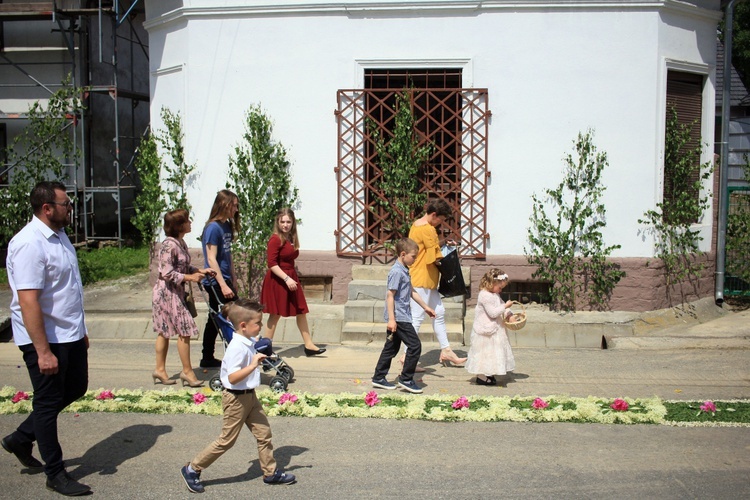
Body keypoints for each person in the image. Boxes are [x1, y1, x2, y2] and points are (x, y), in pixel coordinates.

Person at [2, 181, 91, 496]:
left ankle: (20, 438)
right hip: (45, 339)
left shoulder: (61, 236)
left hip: (69, 334)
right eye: (66, 204)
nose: (71, 209)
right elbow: (28, 301)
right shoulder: (29, 243)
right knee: (47, 401)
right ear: (47, 208)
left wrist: (81, 333)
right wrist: (42, 351)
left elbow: (68, 290)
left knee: (76, 386)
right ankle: (55, 472)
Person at [180, 299, 297, 493]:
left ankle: (270, 472)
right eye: (258, 323)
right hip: (235, 399)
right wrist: (252, 365)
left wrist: (265, 351)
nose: (261, 326)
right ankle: (192, 469)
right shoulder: (236, 347)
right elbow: (233, 378)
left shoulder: (248, 341)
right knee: (226, 440)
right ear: (243, 326)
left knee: (263, 434)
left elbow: (258, 347)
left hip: (249, 396)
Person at [152, 209, 215, 387]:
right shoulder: (168, 245)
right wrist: (190, 278)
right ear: (179, 225)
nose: (190, 223)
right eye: (187, 221)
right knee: (182, 329)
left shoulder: (180, 242)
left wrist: (199, 271)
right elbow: (167, 273)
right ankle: (186, 371)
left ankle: (160, 370)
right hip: (166, 293)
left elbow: (183, 267)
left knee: (166, 331)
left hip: (176, 292)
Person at [402, 199, 466, 368]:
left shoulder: (416, 225)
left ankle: (446, 350)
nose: (440, 224)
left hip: (421, 277)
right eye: (440, 220)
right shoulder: (429, 229)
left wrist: (443, 243)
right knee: (417, 318)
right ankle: (406, 358)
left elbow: (426, 249)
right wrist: (450, 263)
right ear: (434, 215)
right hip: (423, 278)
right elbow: (433, 257)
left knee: (438, 312)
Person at [371, 238, 436, 394]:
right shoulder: (396, 272)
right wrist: (392, 320)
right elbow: (390, 296)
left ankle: (378, 377)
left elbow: (412, 291)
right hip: (399, 317)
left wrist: (426, 307)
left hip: (402, 316)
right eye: (413, 256)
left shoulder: (404, 270)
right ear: (402, 254)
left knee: (391, 348)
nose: (415, 259)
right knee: (415, 346)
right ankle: (406, 379)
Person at [260, 208, 325, 356]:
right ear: (278, 222)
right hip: (279, 279)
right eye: (282, 221)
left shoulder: (290, 238)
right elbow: (271, 264)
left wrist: (290, 278)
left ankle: (309, 345)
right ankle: (265, 348)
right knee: (275, 314)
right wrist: (286, 278)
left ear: (293, 222)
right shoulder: (275, 239)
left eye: (288, 221)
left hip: (290, 277)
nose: (285, 224)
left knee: (301, 310)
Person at [200, 190, 240, 368]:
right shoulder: (213, 228)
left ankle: (207, 357)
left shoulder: (226, 226)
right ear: (224, 205)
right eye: (234, 205)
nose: (236, 209)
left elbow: (227, 255)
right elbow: (211, 258)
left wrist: (233, 277)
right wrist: (223, 285)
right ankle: (233, 355)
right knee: (234, 315)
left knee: (215, 319)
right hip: (215, 282)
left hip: (225, 279)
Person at [465, 269, 515, 386]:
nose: (501, 290)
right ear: (491, 283)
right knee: (484, 353)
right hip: (485, 330)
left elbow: (501, 305)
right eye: (500, 287)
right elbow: (493, 313)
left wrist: (509, 313)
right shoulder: (484, 295)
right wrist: (505, 306)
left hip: (495, 329)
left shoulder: (495, 294)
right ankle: (481, 376)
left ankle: (489, 373)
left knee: (492, 352)